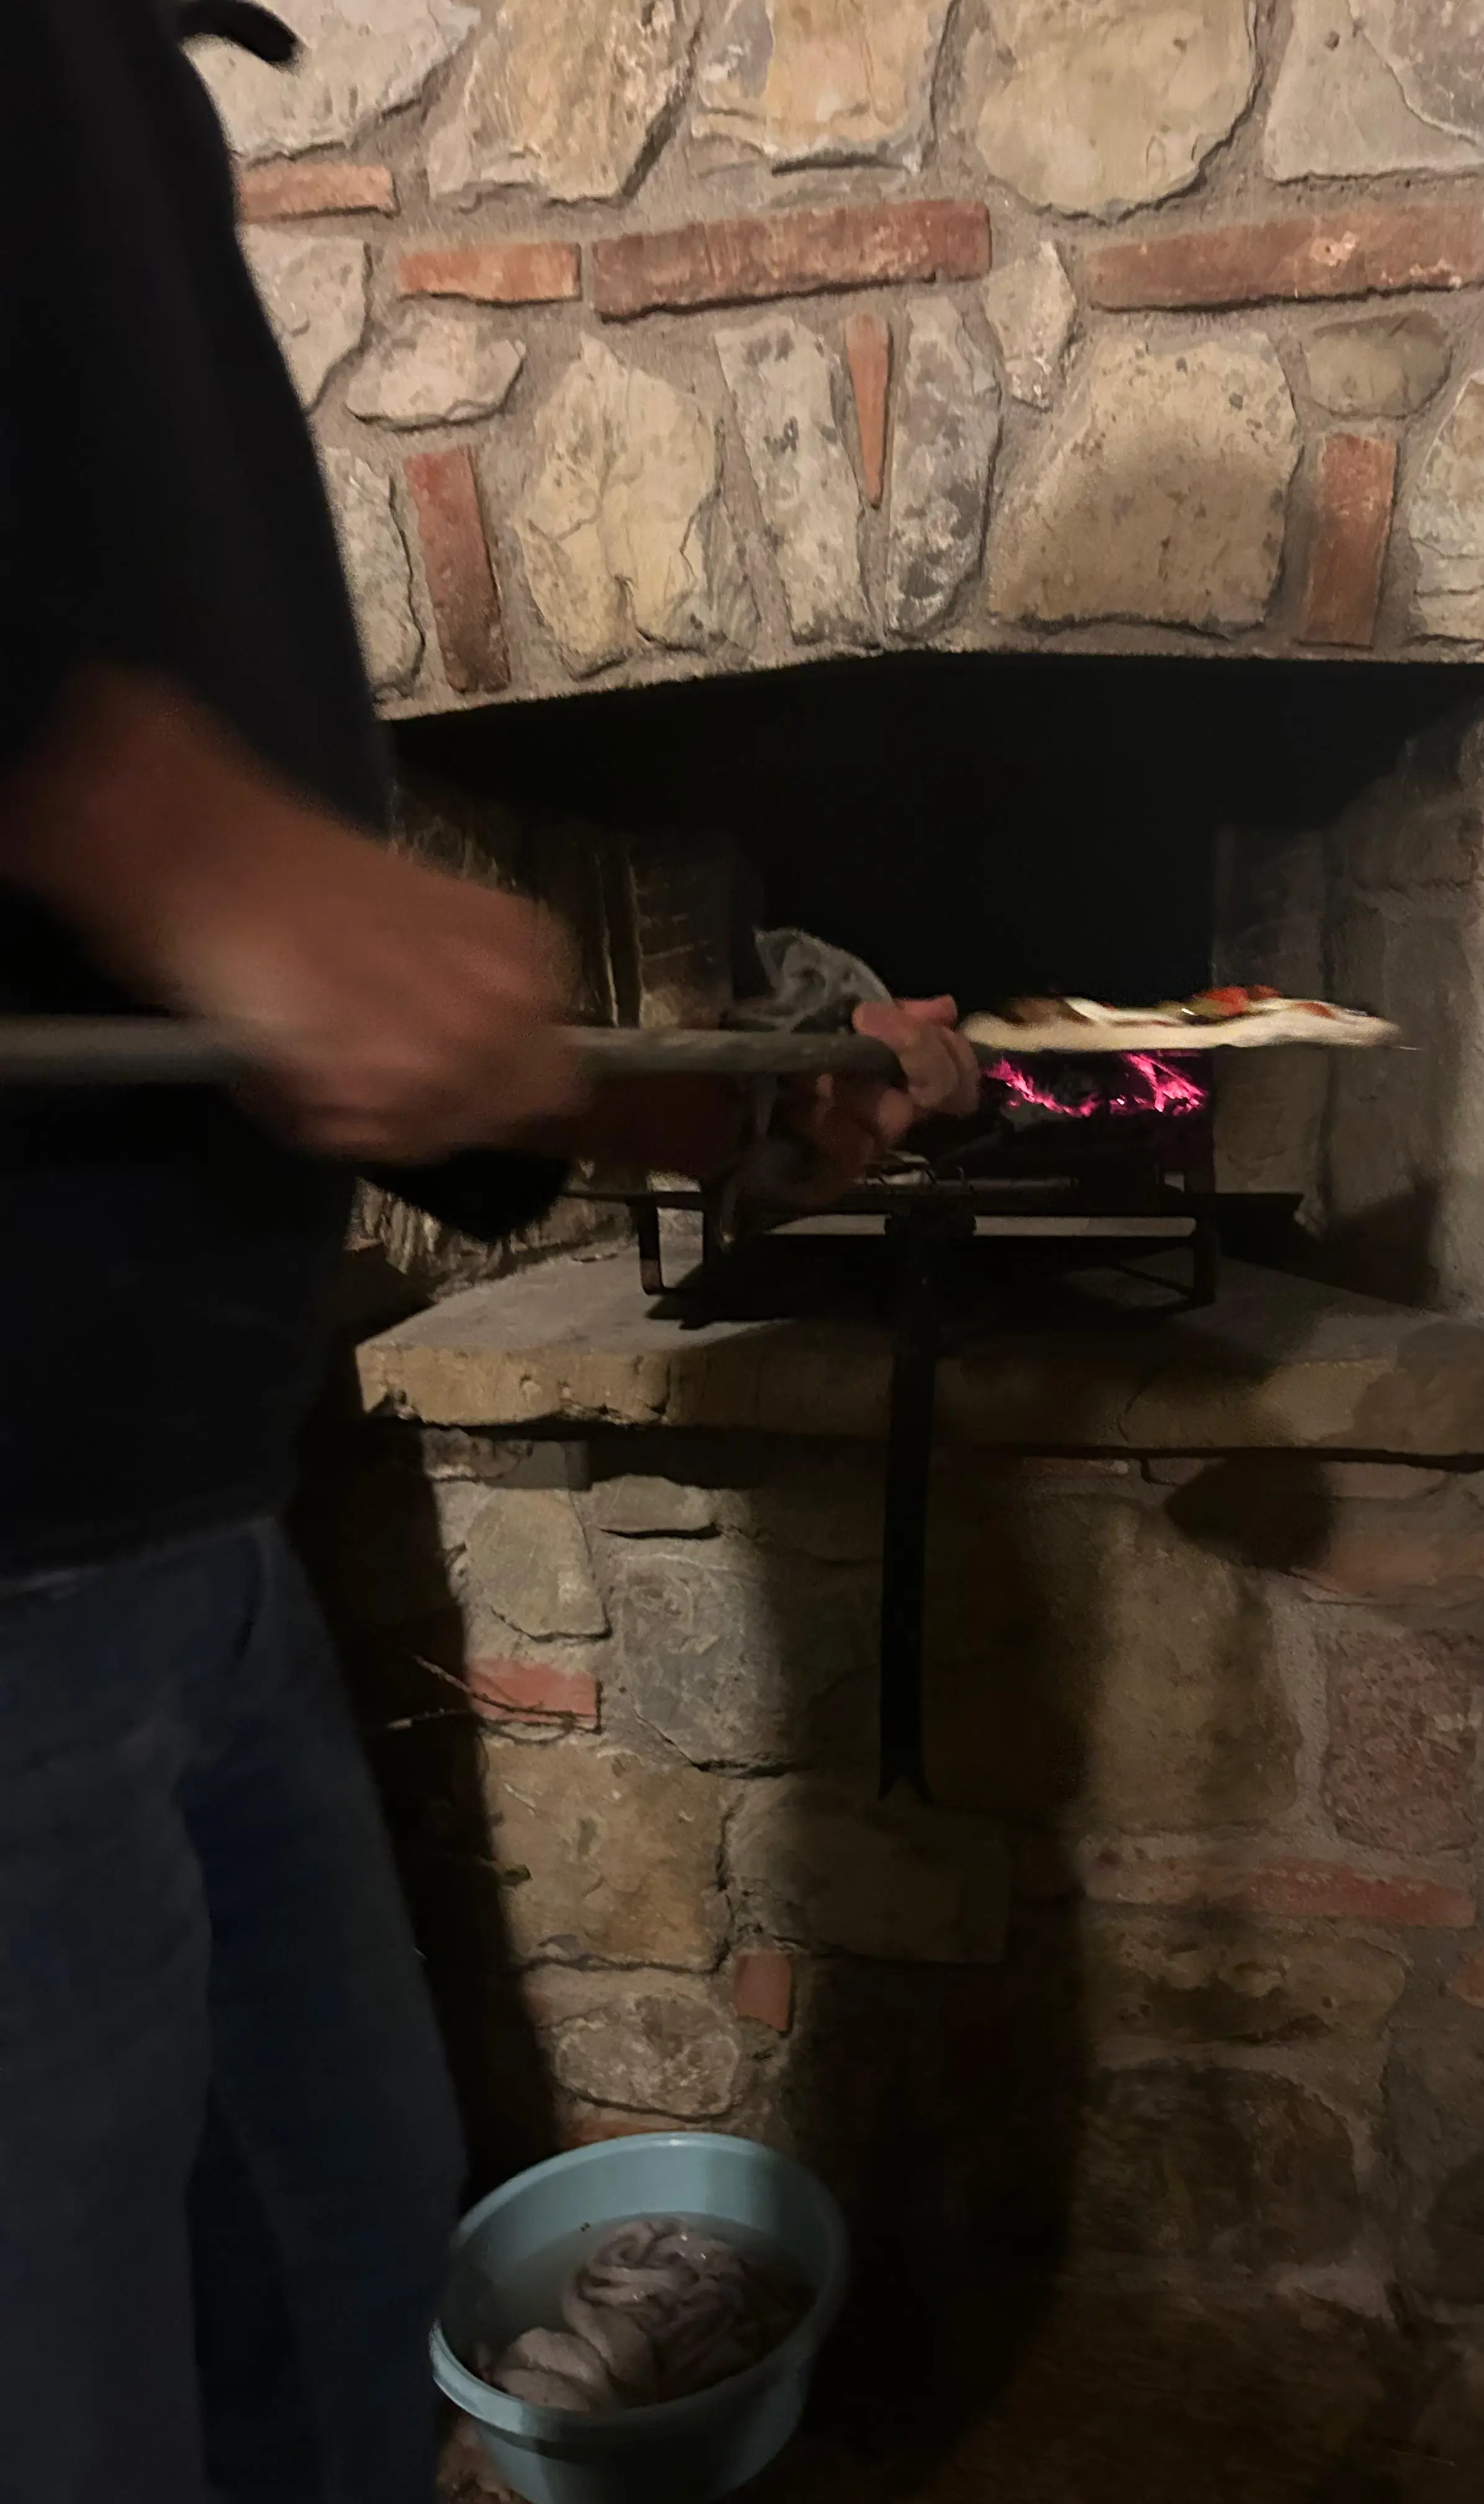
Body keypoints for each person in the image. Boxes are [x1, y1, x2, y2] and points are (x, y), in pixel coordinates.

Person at [0, 6, 979, 2500]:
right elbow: (182, 843)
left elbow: (258, 922)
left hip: (180, 1519)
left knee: (345, 2319)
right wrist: (166, 832)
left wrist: (670, 1111)